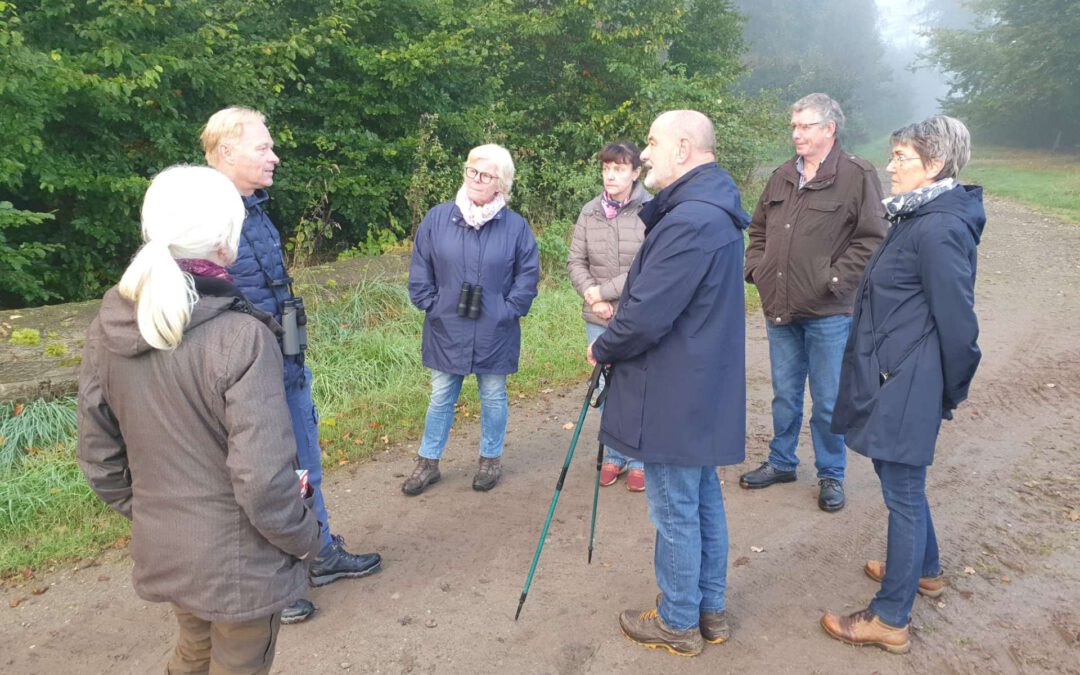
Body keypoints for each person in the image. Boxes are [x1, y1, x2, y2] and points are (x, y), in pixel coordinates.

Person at [77, 166, 321, 674]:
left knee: (192, 650)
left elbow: (101, 462)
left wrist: (158, 513)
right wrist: (306, 540)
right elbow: (263, 483)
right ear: (226, 243)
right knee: (237, 663)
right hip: (241, 563)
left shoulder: (108, 328)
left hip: (170, 546)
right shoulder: (241, 336)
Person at [202, 107, 381, 625]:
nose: (274, 155)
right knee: (259, 477)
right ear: (227, 151)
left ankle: (319, 553)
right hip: (242, 379)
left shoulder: (254, 209)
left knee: (305, 464)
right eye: (263, 146)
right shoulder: (205, 218)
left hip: (287, 363)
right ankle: (269, 581)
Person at [588, 110, 750, 657]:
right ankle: (710, 609)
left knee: (676, 507)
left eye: (652, 143)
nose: (645, 155)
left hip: (675, 388)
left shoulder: (690, 220)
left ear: (683, 147)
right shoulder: (708, 209)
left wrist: (602, 346)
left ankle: (679, 620)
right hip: (698, 381)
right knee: (702, 499)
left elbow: (645, 314)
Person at [821, 115, 984, 654]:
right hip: (897, 371)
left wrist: (948, 388)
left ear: (933, 164)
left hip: (908, 378)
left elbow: (959, 323)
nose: (890, 167)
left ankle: (890, 618)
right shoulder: (917, 216)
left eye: (901, 157)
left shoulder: (937, 227)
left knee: (903, 493)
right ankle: (926, 570)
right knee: (905, 486)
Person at [741, 93, 888, 512]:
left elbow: (872, 238)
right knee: (784, 395)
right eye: (794, 126)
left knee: (827, 401)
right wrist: (758, 269)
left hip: (828, 311)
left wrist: (835, 279)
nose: (796, 134)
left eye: (805, 126)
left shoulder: (857, 174)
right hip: (780, 306)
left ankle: (830, 474)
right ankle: (782, 462)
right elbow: (758, 229)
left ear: (829, 129)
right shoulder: (782, 175)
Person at [403, 144, 540, 495]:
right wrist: (431, 304)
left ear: (502, 183)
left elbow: (527, 277)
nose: (477, 179)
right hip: (446, 325)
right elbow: (421, 268)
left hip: (495, 328)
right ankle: (428, 462)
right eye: (472, 171)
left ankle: (490, 459)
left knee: (493, 395)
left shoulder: (516, 227)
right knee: (440, 396)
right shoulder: (437, 218)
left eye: (487, 175)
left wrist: (508, 310)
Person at [567, 141, 648, 492]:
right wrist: (592, 295)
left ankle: (640, 459)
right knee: (605, 386)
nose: (611, 175)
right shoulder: (589, 212)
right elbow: (575, 262)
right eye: (606, 169)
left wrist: (606, 292)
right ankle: (614, 455)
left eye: (619, 168)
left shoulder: (652, 210)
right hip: (597, 316)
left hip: (637, 314)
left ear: (635, 172)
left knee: (639, 386)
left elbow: (647, 266)